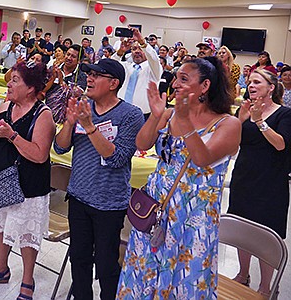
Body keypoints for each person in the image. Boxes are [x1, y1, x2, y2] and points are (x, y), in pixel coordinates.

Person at [117, 56, 241, 299]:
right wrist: (155, 115)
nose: (175, 84)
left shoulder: (228, 124)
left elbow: (201, 158)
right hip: (156, 209)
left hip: (192, 216)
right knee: (144, 271)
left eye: (184, 79)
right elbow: (141, 143)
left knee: (184, 278)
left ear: (204, 86)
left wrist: (184, 121)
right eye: (176, 78)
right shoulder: (170, 114)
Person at [54, 58, 144, 299]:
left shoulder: (131, 115)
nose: (89, 79)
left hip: (109, 203)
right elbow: (61, 148)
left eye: (96, 75)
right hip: (78, 196)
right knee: (79, 258)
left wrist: (89, 126)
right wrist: (70, 123)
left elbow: (117, 159)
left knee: (106, 265)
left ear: (113, 83)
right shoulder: (84, 108)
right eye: (88, 74)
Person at [0, 62, 55, 300]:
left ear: (31, 88)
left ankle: (27, 279)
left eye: (15, 80)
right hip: (1, 178)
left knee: (26, 235)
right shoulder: (4, 106)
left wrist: (11, 135)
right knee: (0, 225)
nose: (9, 83)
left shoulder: (43, 115)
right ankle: (1, 268)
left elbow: (40, 155)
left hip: (28, 185)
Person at [228, 68, 291, 296]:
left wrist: (259, 122)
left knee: (265, 235)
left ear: (271, 88)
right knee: (241, 230)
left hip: (270, 184)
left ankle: (266, 287)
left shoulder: (284, 114)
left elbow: (281, 144)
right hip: (244, 179)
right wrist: (241, 120)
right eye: (250, 82)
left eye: (257, 82)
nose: (251, 86)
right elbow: (233, 147)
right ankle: (243, 274)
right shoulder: (244, 111)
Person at [112, 27, 161, 118]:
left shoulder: (153, 70)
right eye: (134, 49)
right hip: (119, 112)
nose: (137, 51)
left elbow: (154, 59)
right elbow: (109, 66)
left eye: (140, 49)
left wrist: (142, 42)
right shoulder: (126, 66)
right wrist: (120, 52)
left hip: (142, 115)